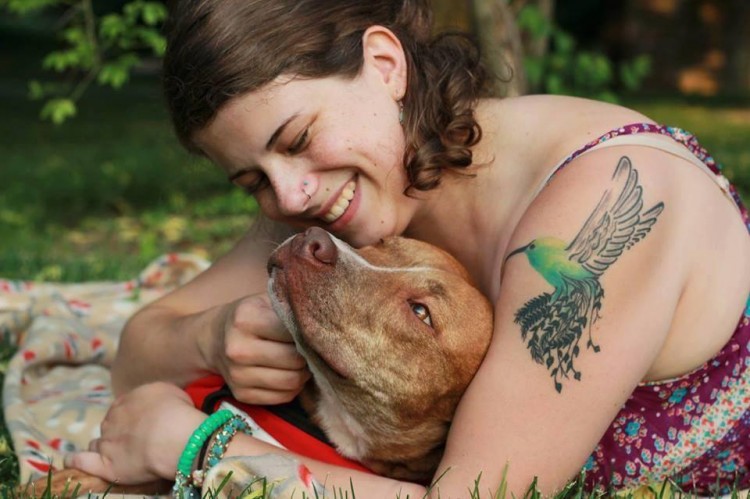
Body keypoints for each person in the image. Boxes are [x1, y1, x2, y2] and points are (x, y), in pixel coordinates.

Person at [64, 0, 750, 496]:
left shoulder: (589, 215)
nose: (290, 197)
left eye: (298, 139)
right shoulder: (338, 197)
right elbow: (137, 355)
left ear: (385, 64)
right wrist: (212, 337)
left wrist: (194, 449)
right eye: (252, 180)